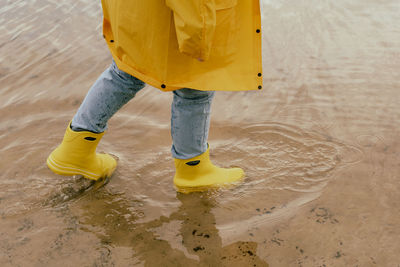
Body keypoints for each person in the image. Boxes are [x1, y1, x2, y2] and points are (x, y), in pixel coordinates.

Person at [46, 0, 263, 192]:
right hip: (179, 18)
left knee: (125, 72)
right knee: (195, 87)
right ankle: (194, 171)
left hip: (136, 10)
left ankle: (75, 149)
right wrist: (199, 36)